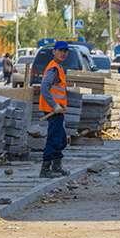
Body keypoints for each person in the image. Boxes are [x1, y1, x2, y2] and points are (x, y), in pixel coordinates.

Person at [39, 41, 71, 178]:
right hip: (53, 111)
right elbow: (44, 88)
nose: (62, 53)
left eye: (65, 51)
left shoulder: (58, 67)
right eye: (60, 51)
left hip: (58, 111)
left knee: (61, 139)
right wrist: (54, 106)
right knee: (54, 138)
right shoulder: (53, 69)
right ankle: (45, 169)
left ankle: (56, 166)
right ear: (54, 52)